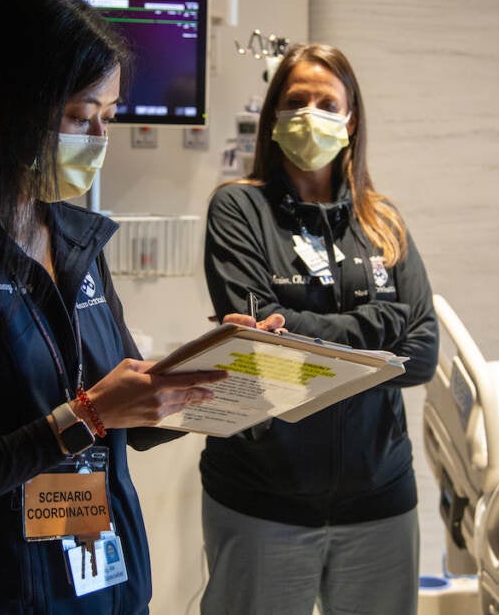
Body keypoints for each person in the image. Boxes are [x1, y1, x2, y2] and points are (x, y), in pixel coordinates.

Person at [0, 0, 239, 614]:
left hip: (105, 587)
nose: (97, 138)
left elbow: (131, 425)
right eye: (80, 116)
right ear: (11, 105)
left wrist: (230, 373)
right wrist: (82, 417)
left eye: (108, 118)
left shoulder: (77, 244)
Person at [199, 43, 439, 615]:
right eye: (296, 100)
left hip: (379, 498)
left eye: (326, 102)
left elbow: (425, 352)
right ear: (273, 117)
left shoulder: (382, 221)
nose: (311, 113)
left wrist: (302, 338)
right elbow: (258, 347)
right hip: (262, 497)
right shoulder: (239, 210)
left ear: (351, 118)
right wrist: (382, 325)